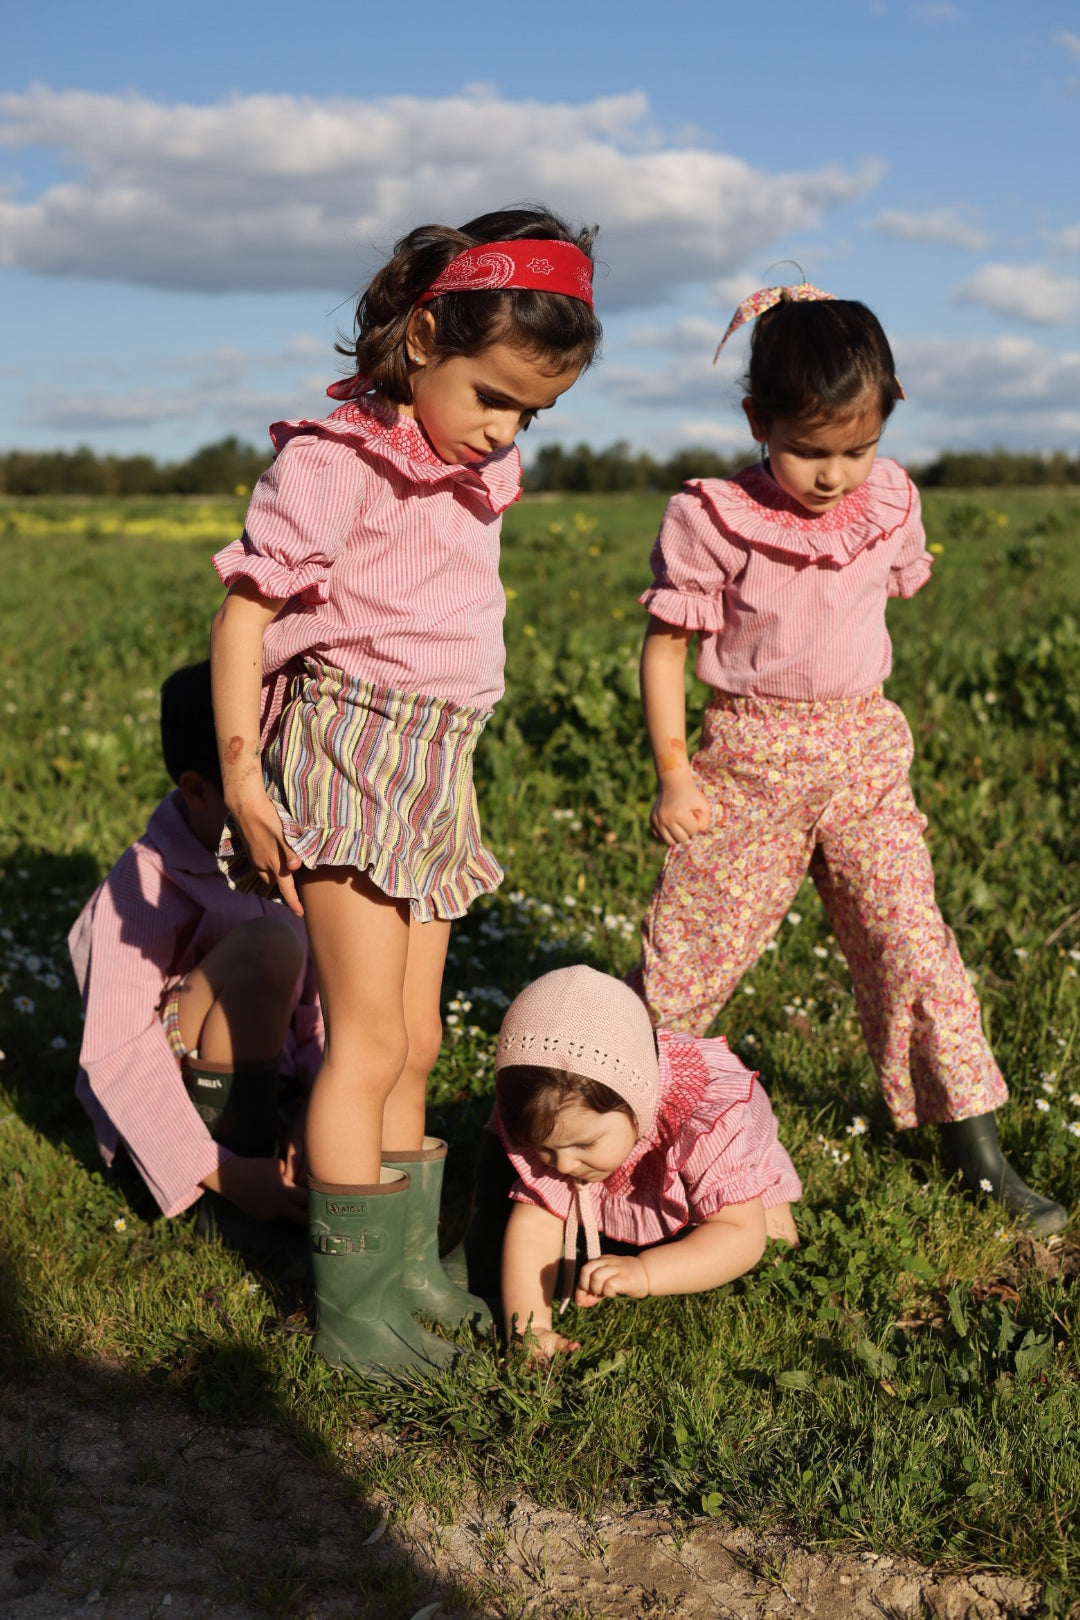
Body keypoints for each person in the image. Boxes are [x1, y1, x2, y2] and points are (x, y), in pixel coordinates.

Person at [210, 205, 602, 1375]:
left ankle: (406, 1277)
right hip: (351, 747)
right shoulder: (336, 462)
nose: (505, 430)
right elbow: (245, 620)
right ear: (425, 337)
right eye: (493, 396)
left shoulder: (470, 469)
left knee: (418, 1039)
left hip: (436, 759)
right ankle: (350, 1315)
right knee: (367, 1039)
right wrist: (242, 781)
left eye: (531, 412)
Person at [631, 282, 1066, 1236]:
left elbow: (879, 595)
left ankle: (976, 1148)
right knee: (687, 962)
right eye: (809, 450)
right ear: (758, 420)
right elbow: (666, 649)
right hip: (748, 760)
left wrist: (872, 479)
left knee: (914, 942)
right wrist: (675, 771)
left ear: (888, 421)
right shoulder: (713, 519)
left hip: (864, 751)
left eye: (857, 450)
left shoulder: (892, 500)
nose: (834, 476)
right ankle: (619, 1139)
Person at [69, 661, 322, 1259]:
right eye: (259, 795)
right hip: (178, 1117)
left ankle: (275, 1160)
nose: (279, 814)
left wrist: (318, 1101)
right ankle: (227, 1199)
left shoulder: (291, 854)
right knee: (268, 947)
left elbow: (319, 1002)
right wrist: (225, 1171)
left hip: (270, 1086)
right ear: (199, 789)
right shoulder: (142, 883)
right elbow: (117, 1047)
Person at [491, 966, 800, 1358]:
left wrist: (646, 1272)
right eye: (546, 1148)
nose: (564, 1165)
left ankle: (767, 1198)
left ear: (637, 1105)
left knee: (771, 1243)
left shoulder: (704, 1118)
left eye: (585, 1143)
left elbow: (740, 1234)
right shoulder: (561, 1122)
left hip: (733, 1170)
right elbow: (534, 1227)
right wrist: (530, 1327)